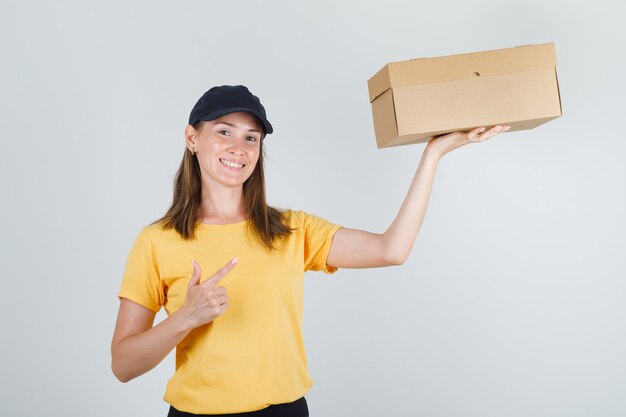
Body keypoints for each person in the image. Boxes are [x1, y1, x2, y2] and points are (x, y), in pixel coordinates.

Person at [111, 85, 509, 416]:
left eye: (251, 137)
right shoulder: (157, 241)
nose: (239, 147)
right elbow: (123, 365)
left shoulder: (291, 230)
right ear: (192, 138)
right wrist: (185, 317)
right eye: (224, 131)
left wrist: (433, 155)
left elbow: (392, 250)